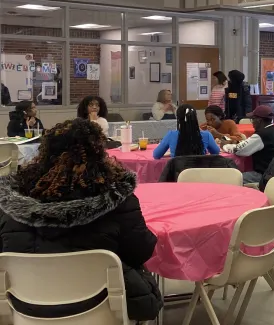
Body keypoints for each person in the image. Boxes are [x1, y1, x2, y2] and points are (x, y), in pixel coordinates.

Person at [0, 119, 162, 321]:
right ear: (99, 154)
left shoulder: (10, 205)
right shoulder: (119, 202)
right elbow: (141, 252)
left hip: (26, 310)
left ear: (43, 154)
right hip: (103, 311)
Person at [222, 106, 274, 184]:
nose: (252, 123)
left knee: (230, 179)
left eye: (253, 119)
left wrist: (225, 146)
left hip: (264, 175)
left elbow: (239, 150)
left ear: (259, 120)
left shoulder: (262, 135)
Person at [153, 104, 219, 160]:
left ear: (178, 119)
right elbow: (216, 152)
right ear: (195, 118)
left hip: (178, 174)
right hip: (200, 174)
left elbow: (156, 155)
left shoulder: (171, 135)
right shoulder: (207, 135)